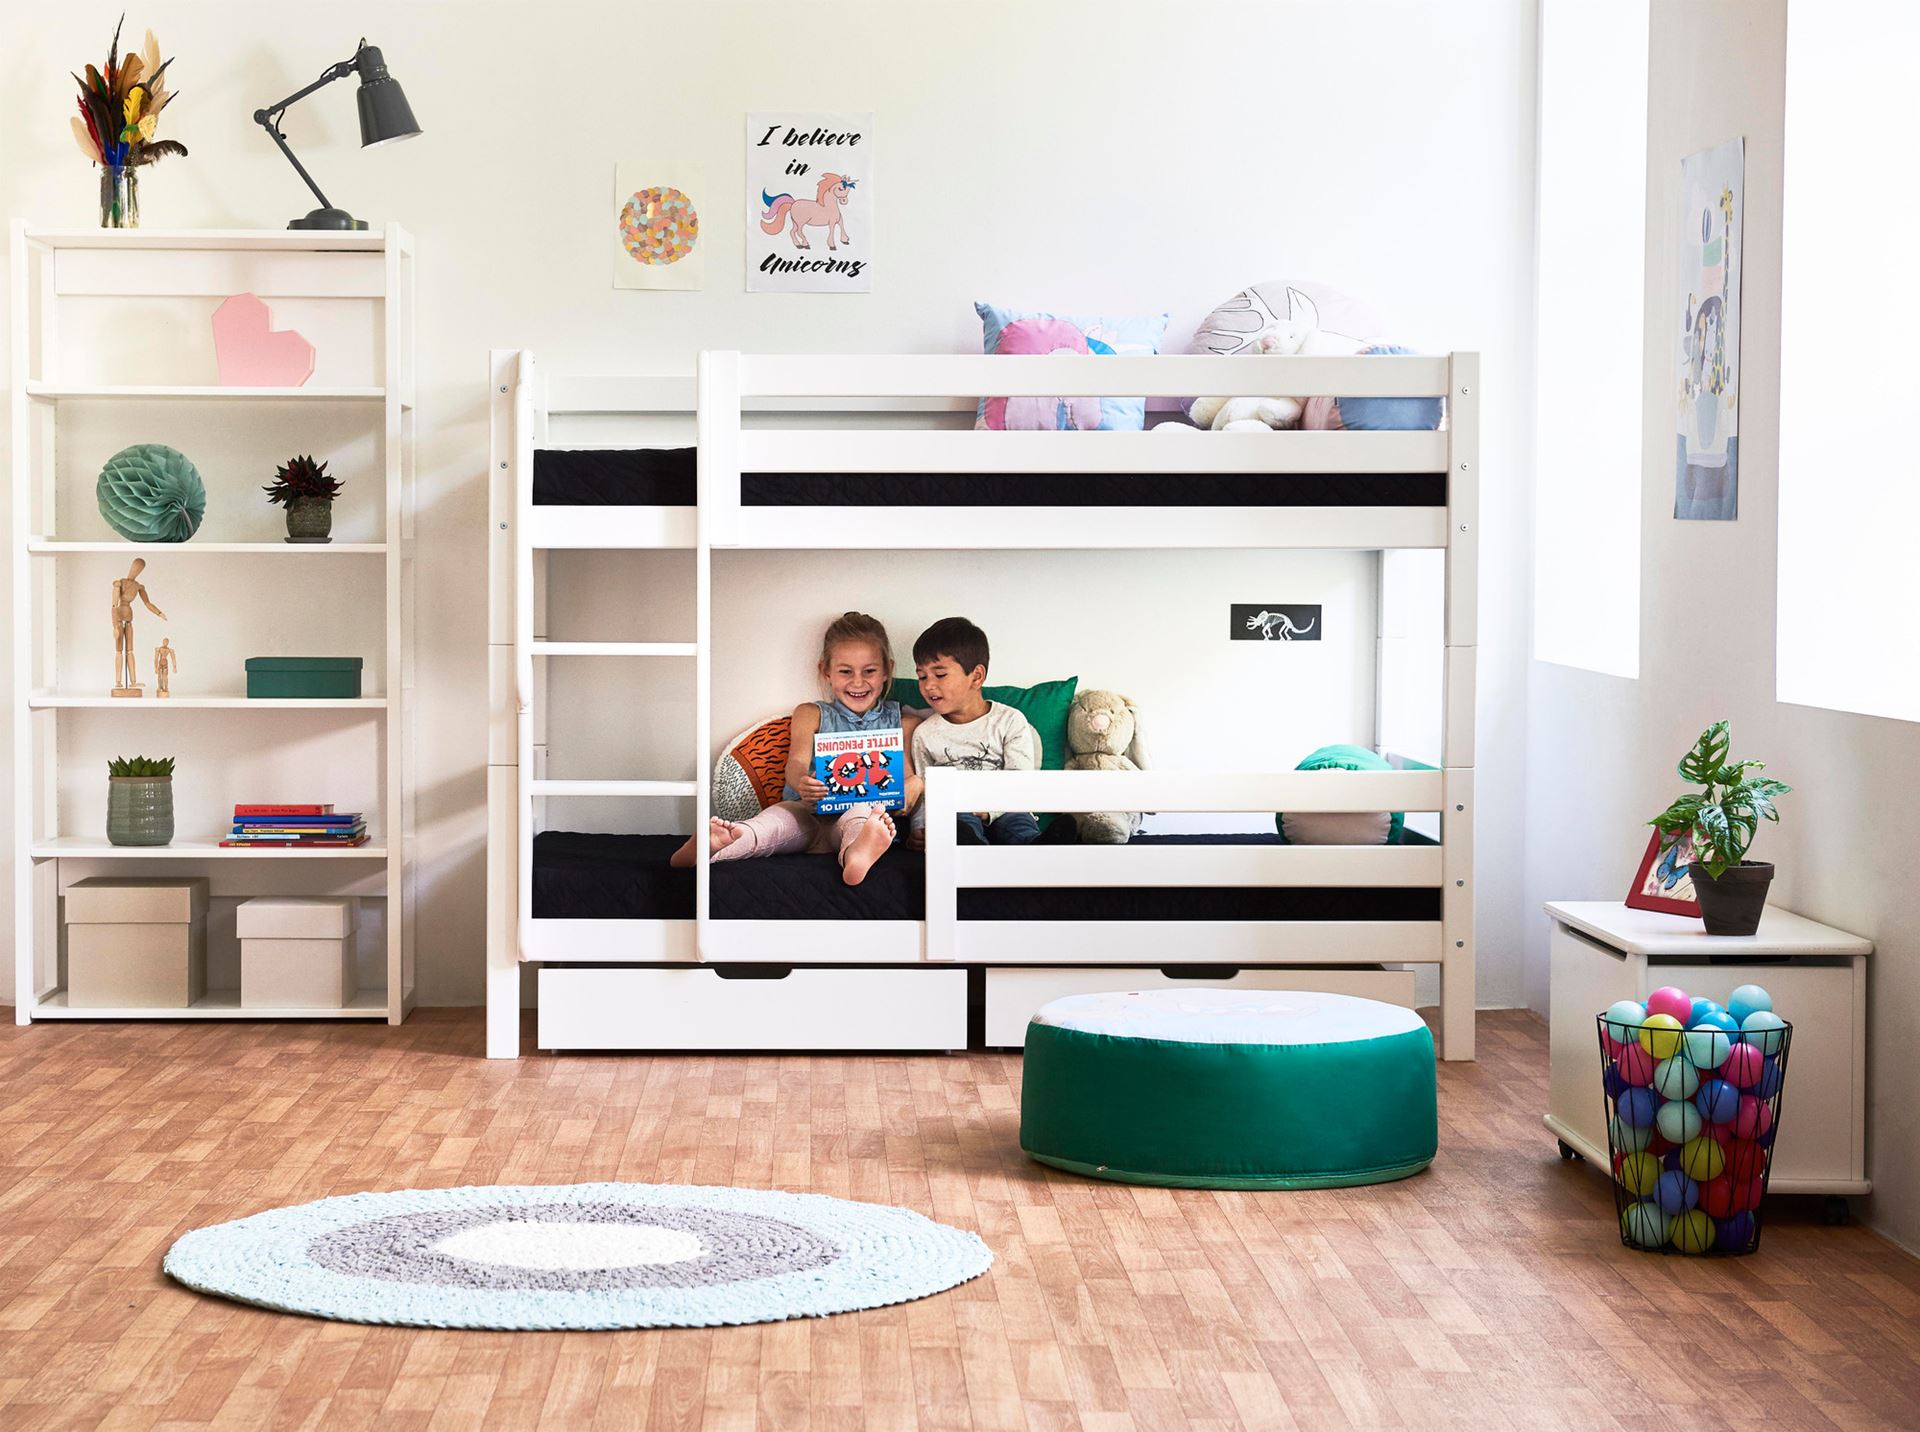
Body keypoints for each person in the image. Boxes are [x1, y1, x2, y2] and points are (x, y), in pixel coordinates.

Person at [672, 611, 920, 886]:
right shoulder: (810, 713)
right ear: (825, 671)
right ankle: (716, 846)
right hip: (807, 813)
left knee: (861, 815)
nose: (858, 682)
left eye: (869, 671)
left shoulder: (904, 723)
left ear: (887, 671)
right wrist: (802, 781)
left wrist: (914, 786)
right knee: (774, 822)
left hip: (858, 816)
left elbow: (907, 779)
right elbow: (796, 762)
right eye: (845, 671)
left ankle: (857, 855)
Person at [908, 616, 1040, 847]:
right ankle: (971, 849)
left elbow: (1020, 782)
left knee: (1019, 824)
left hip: (1007, 807)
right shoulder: (925, 734)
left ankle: (1041, 846)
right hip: (956, 811)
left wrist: (990, 810)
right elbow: (924, 792)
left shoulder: (1009, 721)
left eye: (940, 675)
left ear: (976, 676)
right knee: (959, 824)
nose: (928, 685)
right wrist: (919, 827)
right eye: (922, 676)